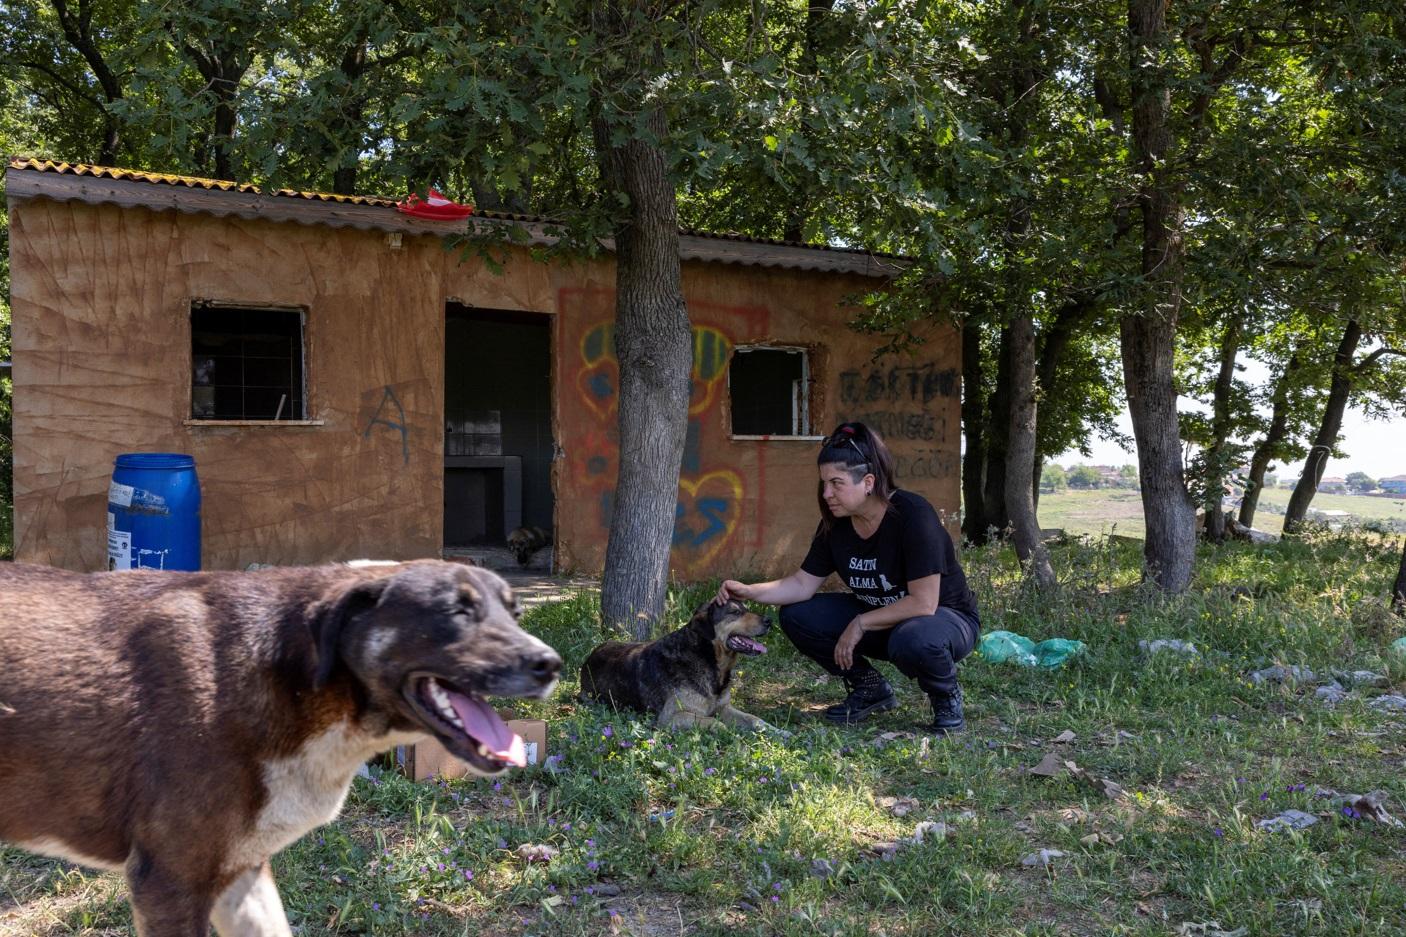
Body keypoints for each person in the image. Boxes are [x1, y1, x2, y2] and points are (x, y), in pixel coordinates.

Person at [716, 421, 980, 734]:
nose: (827, 493)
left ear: (868, 482)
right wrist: (749, 590)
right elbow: (801, 585)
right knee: (798, 615)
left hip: (944, 620)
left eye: (837, 483)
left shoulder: (912, 515)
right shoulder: (836, 525)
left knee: (914, 637)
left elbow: (923, 603)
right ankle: (870, 689)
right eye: (824, 483)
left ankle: (945, 698)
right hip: (888, 620)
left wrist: (860, 624)